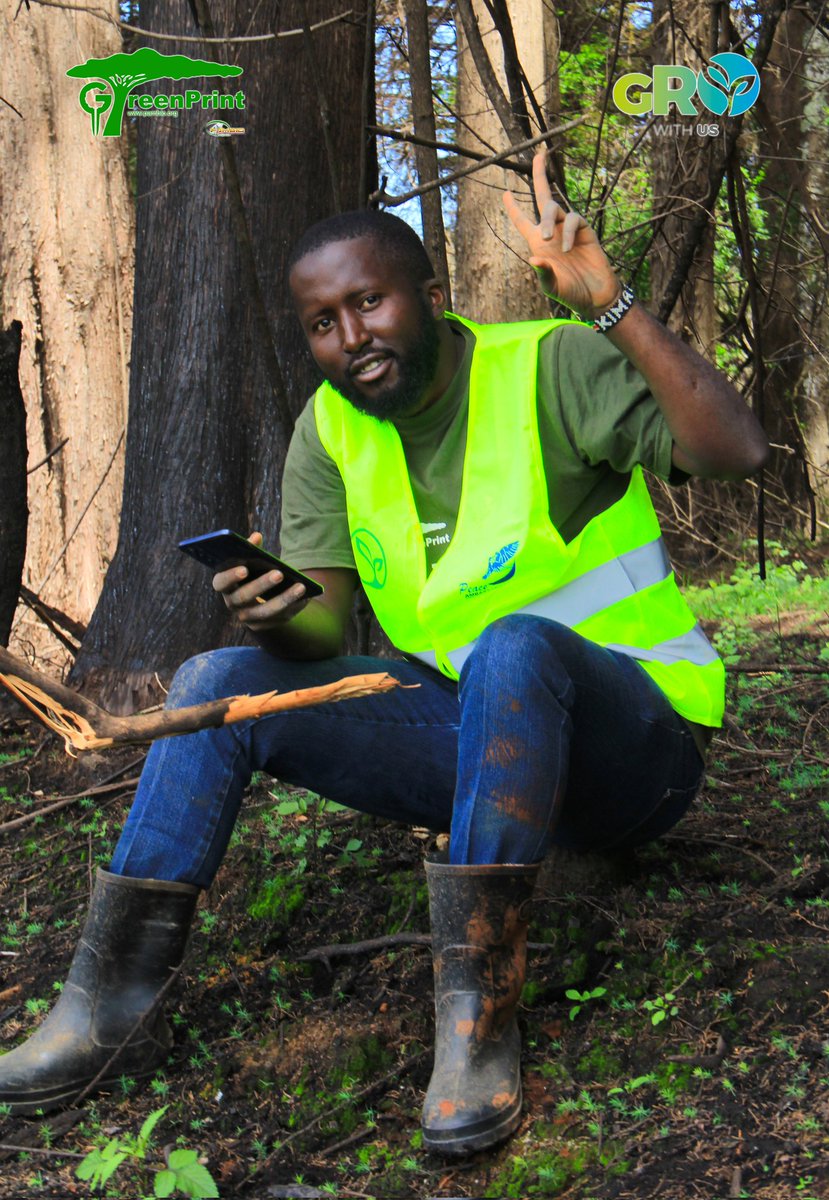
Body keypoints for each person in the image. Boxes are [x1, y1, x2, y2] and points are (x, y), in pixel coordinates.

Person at [0, 154, 768, 1155]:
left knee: (513, 647)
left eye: (368, 302)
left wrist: (609, 306)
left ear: (431, 296)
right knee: (214, 681)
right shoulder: (332, 432)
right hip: (479, 748)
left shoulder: (549, 368)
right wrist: (274, 614)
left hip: (636, 751)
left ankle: (478, 1024)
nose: (350, 337)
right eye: (323, 322)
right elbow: (322, 633)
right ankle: (102, 1008)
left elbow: (735, 451)